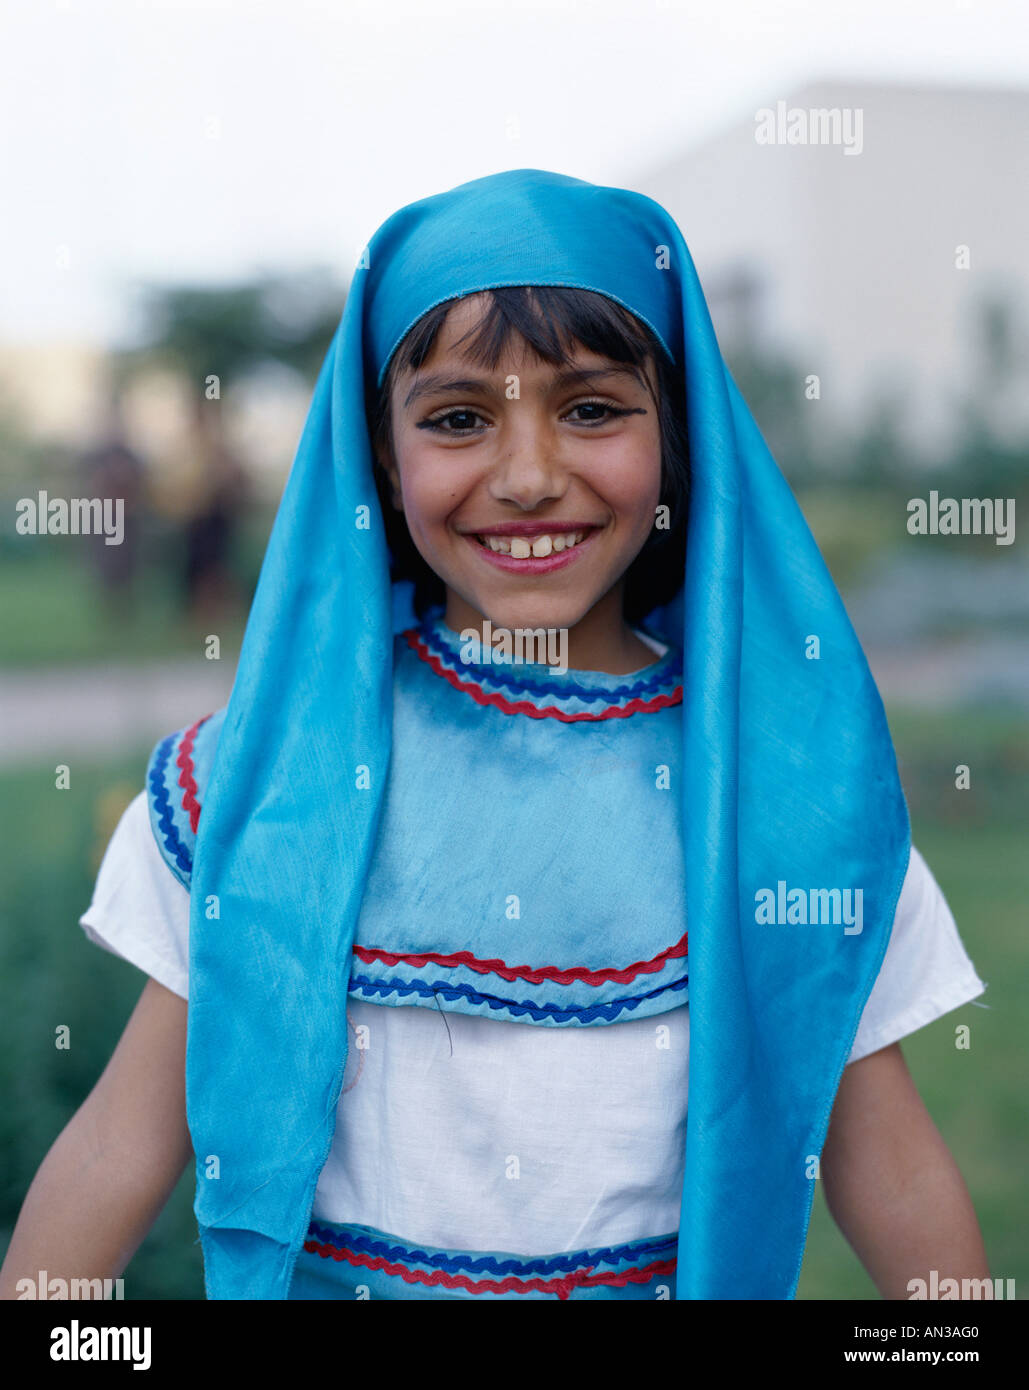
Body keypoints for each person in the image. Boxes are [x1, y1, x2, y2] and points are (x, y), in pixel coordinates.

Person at [0, 169, 988, 1302]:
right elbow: (119, 1149)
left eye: (593, 407)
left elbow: (889, 1164)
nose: (528, 477)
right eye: (460, 419)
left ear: (680, 435)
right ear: (378, 453)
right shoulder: (267, 791)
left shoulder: (784, 808)